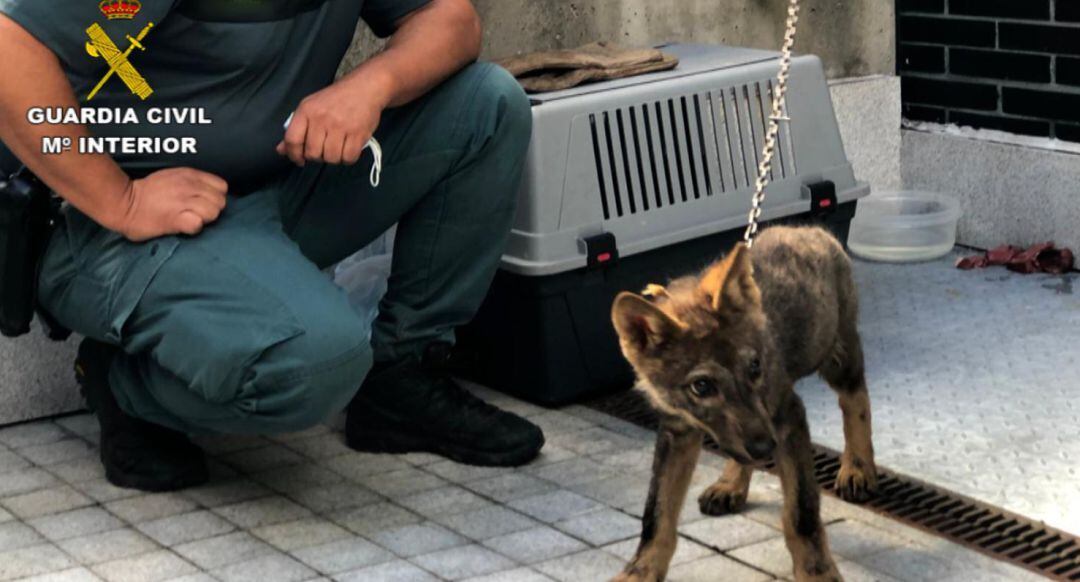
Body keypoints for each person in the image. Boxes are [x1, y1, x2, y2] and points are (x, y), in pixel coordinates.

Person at [0, 0, 544, 492]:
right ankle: (127, 387)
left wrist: (370, 85)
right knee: (314, 365)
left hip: (277, 183)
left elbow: (452, 19)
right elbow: (9, 51)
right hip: (114, 224)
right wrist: (123, 202)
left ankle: (399, 378)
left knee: (487, 105)